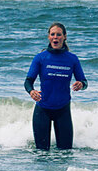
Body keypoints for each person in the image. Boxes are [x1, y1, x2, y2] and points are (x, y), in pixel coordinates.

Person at [24, 22, 87, 150]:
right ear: (48, 37)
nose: (55, 37)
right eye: (52, 34)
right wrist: (31, 91)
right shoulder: (40, 58)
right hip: (42, 110)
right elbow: (28, 81)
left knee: (66, 155)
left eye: (59, 34)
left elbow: (84, 82)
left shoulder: (72, 59)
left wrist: (81, 84)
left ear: (64, 37)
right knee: (41, 155)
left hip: (63, 110)